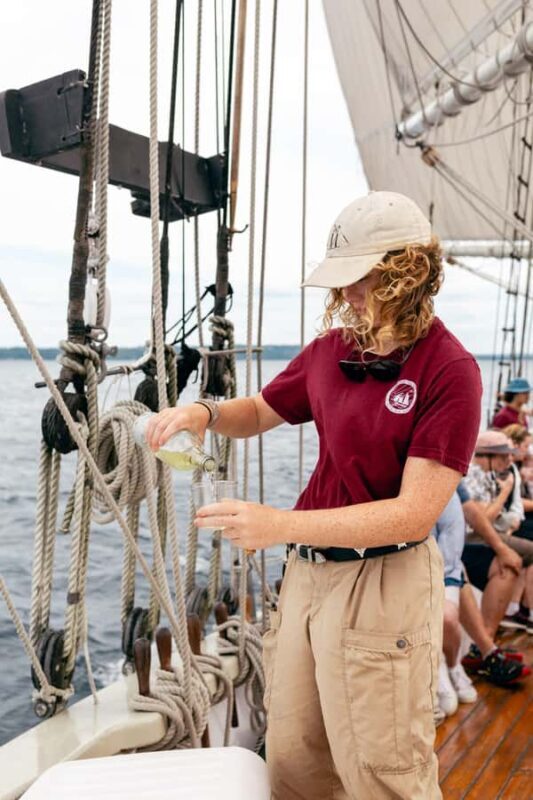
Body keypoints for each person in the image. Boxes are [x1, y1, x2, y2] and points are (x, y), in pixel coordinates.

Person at [145, 191, 482, 800]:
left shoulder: (449, 369)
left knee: (385, 774)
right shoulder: (333, 352)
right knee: (294, 763)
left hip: (386, 582)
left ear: (403, 275)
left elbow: (414, 513)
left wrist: (278, 525)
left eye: (359, 279)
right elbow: (257, 411)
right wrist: (201, 411)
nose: (348, 294)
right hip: (306, 581)